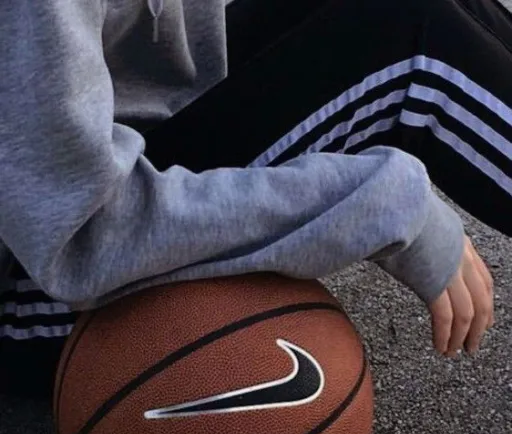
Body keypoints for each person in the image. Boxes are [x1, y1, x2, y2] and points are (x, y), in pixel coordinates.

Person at [0, 0, 507, 399]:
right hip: (40, 278)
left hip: (107, 152)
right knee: (419, 58)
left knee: (410, 12)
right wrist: (375, 202)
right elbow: (85, 237)